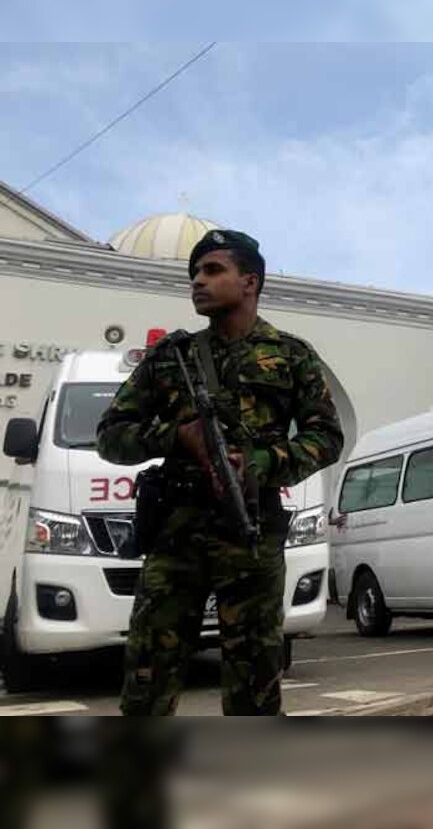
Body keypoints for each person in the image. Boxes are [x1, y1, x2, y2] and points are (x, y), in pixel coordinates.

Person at [97, 229, 345, 715]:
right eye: (194, 273)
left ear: (249, 281)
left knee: (254, 680)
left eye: (212, 271)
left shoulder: (291, 355)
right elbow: (111, 435)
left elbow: (326, 438)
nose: (197, 282)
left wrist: (261, 463)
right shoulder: (171, 357)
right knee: (148, 676)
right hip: (175, 533)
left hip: (248, 530)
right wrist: (176, 436)